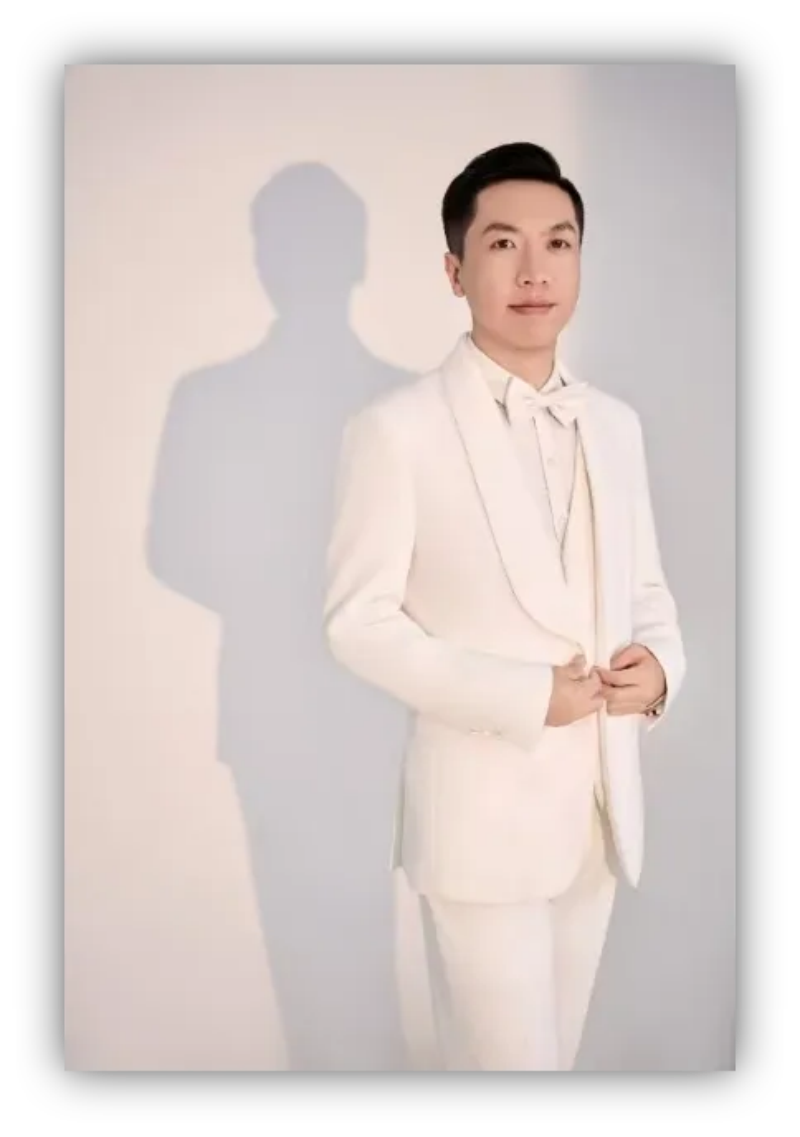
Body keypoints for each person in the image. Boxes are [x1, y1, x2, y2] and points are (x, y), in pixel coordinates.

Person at [322, 141, 685, 1071]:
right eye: (502, 244)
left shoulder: (615, 425)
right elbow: (357, 621)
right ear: (455, 270)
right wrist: (523, 695)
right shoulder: (395, 429)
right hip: (479, 823)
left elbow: (646, 591)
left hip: (600, 813)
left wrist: (660, 670)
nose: (534, 270)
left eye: (558, 243)